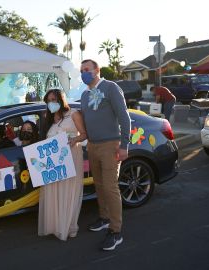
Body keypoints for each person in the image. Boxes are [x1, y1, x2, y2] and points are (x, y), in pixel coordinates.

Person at [80, 59, 131, 251]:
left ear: (97, 70)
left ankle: (115, 231)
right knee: (99, 185)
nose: (84, 73)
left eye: (87, 69)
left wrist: (124, 145)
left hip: (111, 145)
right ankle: (104, 218)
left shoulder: (111, 87)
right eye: (81, 70)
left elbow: (124, 117)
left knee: (110, 188)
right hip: (93, 146)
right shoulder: (85, 95)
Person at [38, 89, 88, 241]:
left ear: (61, 99)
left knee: (68, 191)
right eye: (48, 100)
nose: (51, 103)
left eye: (54, 99)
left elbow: (85, 134)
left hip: (71, 157)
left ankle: (66, 227)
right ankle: (54, 226)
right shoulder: (48, 117)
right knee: (54, 191)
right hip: (53, 163)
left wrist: (75, 140)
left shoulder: (73, 114)